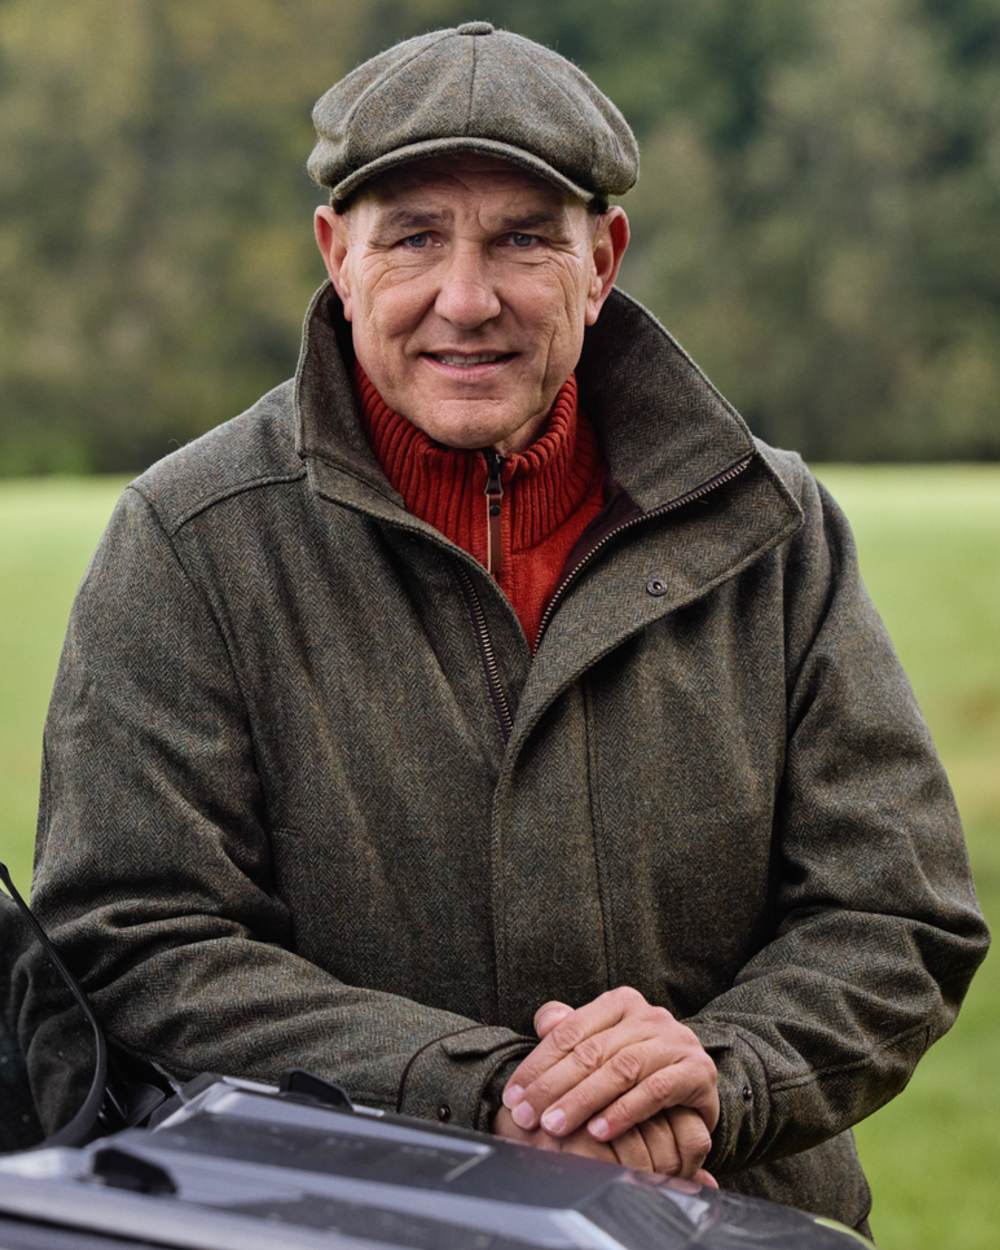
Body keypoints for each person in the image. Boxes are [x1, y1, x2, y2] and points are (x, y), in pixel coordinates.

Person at [25, 22, 987, 1235]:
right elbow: (131, 937)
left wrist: (715, 1072)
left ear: (602, 260)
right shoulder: (188, 539)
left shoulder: (773, 528)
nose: (466, 299)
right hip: (338, 1227)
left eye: (524, 238)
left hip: (722, 1224)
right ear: (336, 254)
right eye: (415, 237)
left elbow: (896, 914)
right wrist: (485, 1094)